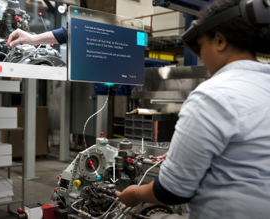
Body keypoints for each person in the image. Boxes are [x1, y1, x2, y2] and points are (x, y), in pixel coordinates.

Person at [115, 0, 270, 218]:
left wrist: (136, 193)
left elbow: (172, 191)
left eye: (201, 47)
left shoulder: (212, 95)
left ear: (219, 40)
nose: (201, 57)